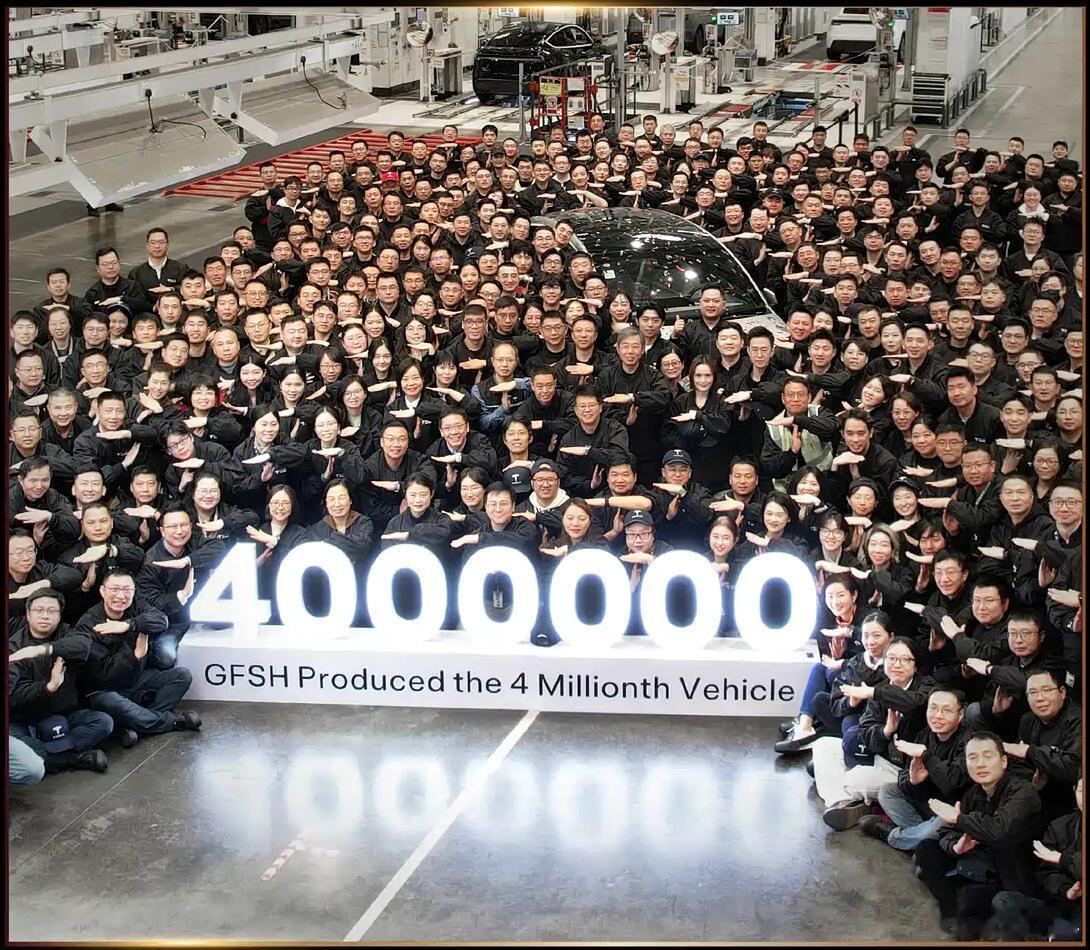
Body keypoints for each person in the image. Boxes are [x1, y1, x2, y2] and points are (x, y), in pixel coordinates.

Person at [915, 731, 1043, 939]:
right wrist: (956, 846)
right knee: (925, 849)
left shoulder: (1023, 792)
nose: (980, 764)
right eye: (973, 758)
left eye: (987, 756)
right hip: (975, 861)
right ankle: (951, 906)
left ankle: (966, 906)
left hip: (1006, 873)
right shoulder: (974, 792)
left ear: (1003, 762)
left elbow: (997, 830)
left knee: (969, 913)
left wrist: (959, 819)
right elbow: (947, 831)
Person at [75, 567, 200, 748]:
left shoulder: (137, 606)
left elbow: (161, 620)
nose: (121, 595)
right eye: (114, 589)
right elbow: (103, 675)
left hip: (137, 678)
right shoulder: (88, 623)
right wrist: (134, 656)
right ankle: (171, 722)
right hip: (105, 690)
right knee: (110, 701)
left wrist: (130, 625)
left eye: (127, 590)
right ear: (102, 591)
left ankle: (133, 724)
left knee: (182, 676)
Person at [8, 589, 113, 774]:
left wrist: (45, 649)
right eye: (39, 610)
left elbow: (84, 646)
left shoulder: (67, 633)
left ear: (59, 616)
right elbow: (13, 696)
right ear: (28, 614)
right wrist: (48, 687)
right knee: (16, 743)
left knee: (104, 722)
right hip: (26, 720)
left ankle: (50, 757)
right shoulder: (13, 647)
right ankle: (72, 759)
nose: (45, 615)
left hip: (63, 714)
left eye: (52, 611)